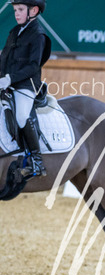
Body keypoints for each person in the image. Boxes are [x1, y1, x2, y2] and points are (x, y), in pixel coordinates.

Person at [0, 0, 51, 177]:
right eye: (15, 10)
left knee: (22, 115)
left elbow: (33, 66)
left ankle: (37, 162)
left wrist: (10, 79)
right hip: (8, 82)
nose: (16, 13)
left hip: (26, 84)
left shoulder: (38, 35)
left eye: (20, 9)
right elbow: (4, 58)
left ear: (34, 10)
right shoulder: (15, 31)